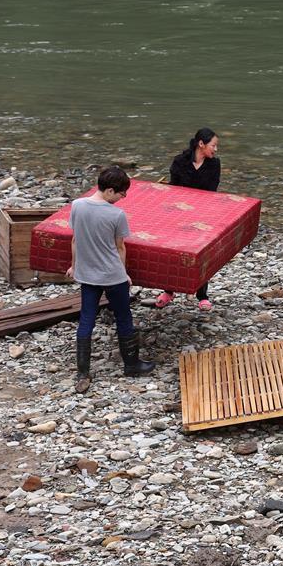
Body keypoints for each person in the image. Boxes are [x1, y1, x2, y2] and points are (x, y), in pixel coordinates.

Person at [66, 166, 155, 394]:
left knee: (86, 319)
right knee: (123, 317)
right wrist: (123, 273)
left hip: (87, 274)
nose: (122, 198)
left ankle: (83, 371)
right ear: (109, 191)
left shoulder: (77, 205)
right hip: (112, 275)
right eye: (121, 194)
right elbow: (120, 247)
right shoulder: (116, 215)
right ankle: (131, 365)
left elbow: (75, 240)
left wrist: (74, 266)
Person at [155, 127, 221, 311]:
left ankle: (202, 295)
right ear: (201, 144)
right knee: (173, 252)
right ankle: (168, 291)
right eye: (213, 145)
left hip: (202, 216)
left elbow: (212, 191)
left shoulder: (214, 164)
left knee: (200, 254)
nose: (215, 149)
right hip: (178, 214)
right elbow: (173, 189)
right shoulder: (180, 161)